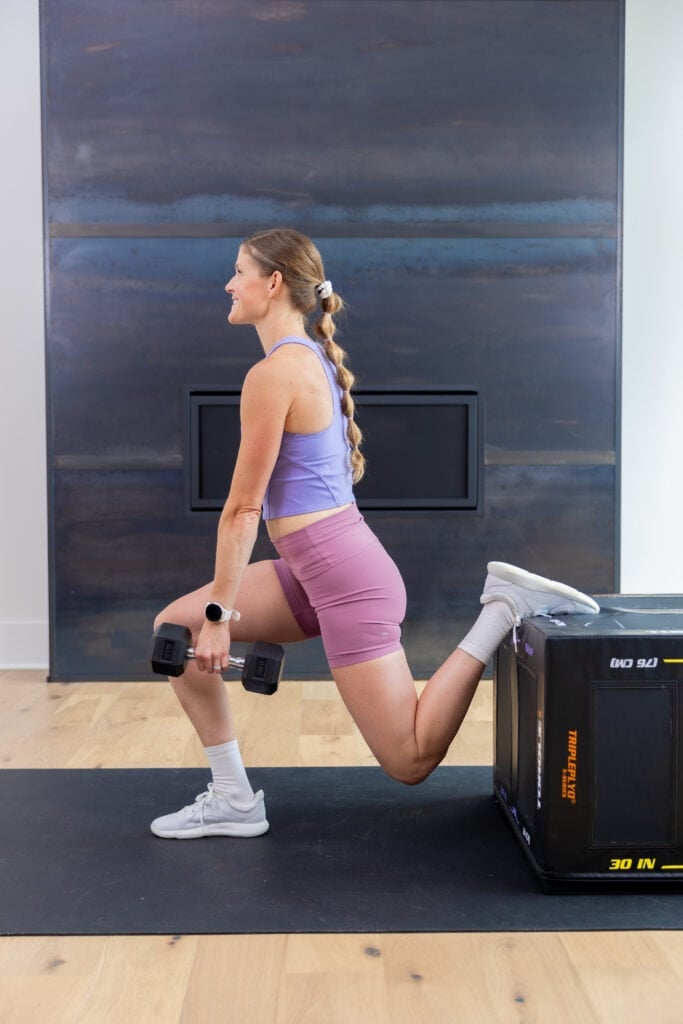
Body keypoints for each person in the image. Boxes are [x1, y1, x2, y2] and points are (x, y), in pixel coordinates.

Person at [150, 227, 599, 840]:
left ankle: (502, 607)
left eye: (238, 271)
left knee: (409, 759)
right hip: (315, 569)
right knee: (174, 629)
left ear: (273, 282)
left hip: (346, 579)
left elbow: (241, 512)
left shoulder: (276, 373)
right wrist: (211, 614)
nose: (228, 284)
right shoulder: (306, 358)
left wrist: (221, 613)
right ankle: (233, 798)